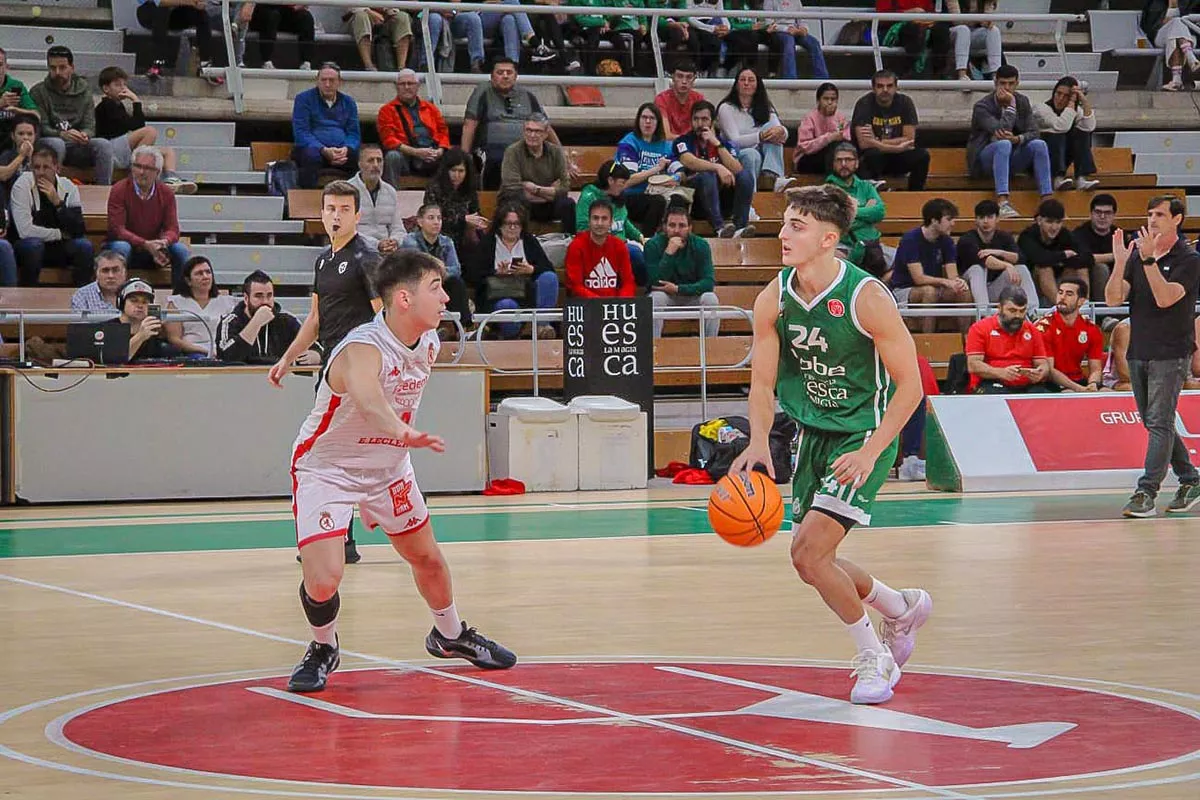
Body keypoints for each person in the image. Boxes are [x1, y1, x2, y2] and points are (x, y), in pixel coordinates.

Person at [729, 184, 930, 705]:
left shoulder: (866, 298)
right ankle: (900, 605)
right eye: (785, 223)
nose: (783, 234)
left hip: (866, 431)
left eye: (797, 226)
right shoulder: (773, 296)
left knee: (809, 552)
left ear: (828, 239)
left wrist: (870, 453)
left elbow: (912, 386)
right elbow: (762, 384)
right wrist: (757, 441)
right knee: (811, 561)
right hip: (814, 432)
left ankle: (874, 657)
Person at [285, 248, 517, 693]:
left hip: (388, 467)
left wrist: (398, 443)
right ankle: (323, 646)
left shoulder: (428, 341)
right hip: (328, 468)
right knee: (324, 578)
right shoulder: (361, 348)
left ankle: (449, 635)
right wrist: (401, 430)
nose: (447, 298)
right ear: (405, 299)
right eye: (437, 288)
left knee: (427, 558)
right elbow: (369, 399)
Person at [270, 180, 385, 565]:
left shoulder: (366, 258)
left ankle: (341, 537)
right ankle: (343, 538)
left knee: (326, 454)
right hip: (330, 370)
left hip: (357, 372)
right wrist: (288, 358)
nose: (336, 216)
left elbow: (383, 316)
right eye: (330, 209)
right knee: (336, 454)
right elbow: (316, 319)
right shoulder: (322, 260)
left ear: (357, 215)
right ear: (322, 213)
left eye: (344, 210)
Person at [1106, 195, 1200, 517]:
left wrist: (1149, 262)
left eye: (1160, 214)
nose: (1152, 220)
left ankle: (1146, 492)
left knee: (1159, 421)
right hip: (1140, 349)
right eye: (1149, 214)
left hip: (1171, 352)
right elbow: (1113, 299)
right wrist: (1120, 262)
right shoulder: (1138, 255)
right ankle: (1190, 478)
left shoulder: (1189, 258)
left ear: (1177, 219)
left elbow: (1165, 298)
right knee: (1153, 421)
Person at [967, 65, 1052, 219]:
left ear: (1017, 83)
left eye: (1011, 84)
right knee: (1003, 144)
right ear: (995, 83)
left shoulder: (1023, 101)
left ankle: (1047, 202)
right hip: (985, 160)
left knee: (1039, 144)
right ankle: (1002, 202)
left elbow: (1034, 132)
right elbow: (1000, 131)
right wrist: (1011, 105)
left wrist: (1018, 138)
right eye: (1002, 83)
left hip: (1012, 156)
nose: (1006, 88)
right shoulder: (982, 106)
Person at [461, 59, 561, 190]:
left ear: (516, 76)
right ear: (492, 76)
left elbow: (546, 127)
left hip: (525, 149)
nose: (505, 76)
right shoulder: (482, 92)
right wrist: (463, 158)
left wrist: (561, 155)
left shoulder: (528, 95)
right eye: (500, 72)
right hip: (491, 150)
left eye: (509, 72)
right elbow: (469, 125)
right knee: (499, 160)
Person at [95, 66, 195, 194]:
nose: (123, 88)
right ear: (106, 88)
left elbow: (137, 124)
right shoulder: (106, 105)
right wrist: (135, 101)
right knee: (150, 131)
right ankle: (136, 171)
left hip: (124, 149)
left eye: (124, 85)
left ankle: (171, 179)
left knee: (167, 152)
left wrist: (136, 100)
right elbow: (131, 126)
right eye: (117, 85)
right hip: (111, 150)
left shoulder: (119, 106)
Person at [468, 200, 559, 339]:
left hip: (525, 294)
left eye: (516, 224)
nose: (512, 228)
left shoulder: (529, 241)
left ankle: (542, 326)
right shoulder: (488, 243)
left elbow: (547, 267)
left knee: (549, 277)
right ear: (499, 225)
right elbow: (473, 274)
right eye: (508, 223)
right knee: (507, 305)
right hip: (497, 296)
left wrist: (531, 269)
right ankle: (511, 334)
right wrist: (496, 273)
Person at [104, 145, 190, 288]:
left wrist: (164, 242)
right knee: (121, 247)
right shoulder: (119, 189)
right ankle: (116, 297)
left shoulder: (166, 193)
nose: (141, 172)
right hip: (125, 246)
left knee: (181, 250)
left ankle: (179, 298)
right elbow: (117, 229)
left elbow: (173, 229)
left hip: (154, 248)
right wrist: (144, 244)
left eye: (148, 168)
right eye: (137, 166)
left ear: (157, 172)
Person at [669, 100, 754, 239]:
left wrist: (717, 144)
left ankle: (740, 228)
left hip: (722, 200)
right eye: (696, 119)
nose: (700, 124)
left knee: (745, 176)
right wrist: (718, 167)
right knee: (707, 175)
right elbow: (689, 161)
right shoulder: (683, 141)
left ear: (712, 122)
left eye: (704, 119)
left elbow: (737, 169)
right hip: (696, 200)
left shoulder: (723, 143)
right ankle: (719, 229)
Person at [10, 143, 91, 286]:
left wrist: (58, 203)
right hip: (28, 246)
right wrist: (60, 234)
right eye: (36, 167)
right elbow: (25, 231)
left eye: (46, 167)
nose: (40, 172)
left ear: (57, 168)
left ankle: (81, 296)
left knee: (84, 246)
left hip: (59, 247)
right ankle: (28, 294)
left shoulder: (68, 187)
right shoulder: (22, 185)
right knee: (34, 246)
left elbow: (78, 229)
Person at [30, 46, 114, 185]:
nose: (57, 72)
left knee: (103, 145)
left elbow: (90, 125)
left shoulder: (84, 89)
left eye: (62, 67)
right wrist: (62, 134)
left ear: (72, 67)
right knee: (57, 144)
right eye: (53, 68)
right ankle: (51, 189)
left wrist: (84, 135)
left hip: (77, 144)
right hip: (50, 142)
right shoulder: (38, 92)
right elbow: (42, 127)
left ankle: (103, 191)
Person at [889, 198, 971, 333]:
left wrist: (958, 282)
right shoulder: (911, 239)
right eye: (949, 219)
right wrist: (946, 282)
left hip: (934, 287)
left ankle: (967, 340)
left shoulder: (947, 241)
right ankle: (929, 341)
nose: (953, 223)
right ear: (934, 220)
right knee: (929, 292)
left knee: (963, 291)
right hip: (904, 289)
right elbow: (919, 279)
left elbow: (953, 275)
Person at [576, 161, 656, 285]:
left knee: (651, 254)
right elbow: (582, 227)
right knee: (635, 255)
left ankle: (646, 292)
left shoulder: (618, 197)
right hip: (598, 245)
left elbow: (624, 222)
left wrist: (640, 237)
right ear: (610, 180)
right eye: (622, 183)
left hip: (621, 244)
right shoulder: (589, 197)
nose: (624, 186)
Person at [645, 202, 719, 338]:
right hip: (667, 297)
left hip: (692, 296)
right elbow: (655, 282)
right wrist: (669, 253)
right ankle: (653, 348)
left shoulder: (701, 245)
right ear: (664, 227)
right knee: (656, 298)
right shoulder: (653, 245)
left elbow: (708, 282)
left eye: (682, 226)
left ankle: (711, 349)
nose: (677, 230)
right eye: (672, 225)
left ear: (690, 228)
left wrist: (679, 289)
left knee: (711, 299)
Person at [716, 68, 795, 193]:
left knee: (773, 130)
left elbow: (782, 134)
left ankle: (773, 175)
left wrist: (782, 131)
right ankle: (750, 198)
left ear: (758, 85)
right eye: (742, 80)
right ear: (736, 84)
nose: (746, 83)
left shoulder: (764, 106)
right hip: (734, 154)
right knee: (751, 155)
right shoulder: (726, 108)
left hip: (760, 151)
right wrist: (760, 137)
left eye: (751, 80)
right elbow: (734, 140)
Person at [218, 270, 322, 364]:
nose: (265, 302)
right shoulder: (230, 321)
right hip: (239, 381)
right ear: (246, 298)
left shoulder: (286, 321)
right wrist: (255, 323)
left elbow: (317, 347)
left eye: (269, 295)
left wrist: (316, 355)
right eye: (258, 296)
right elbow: (226, 356)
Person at [959, 199, 1039, 318]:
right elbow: (985, 261)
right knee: (977, 269)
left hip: (993, 289)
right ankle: (984, 316)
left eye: (990, 217)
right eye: (981, 217)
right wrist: (1007, 265)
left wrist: (999, 252)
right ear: (976, 220)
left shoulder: (1004, 237)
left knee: (1021, 269)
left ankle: (1034, 314)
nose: (985, 221)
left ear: (997, 218)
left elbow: (1019, 258)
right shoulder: (967, 239)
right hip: (969, 290)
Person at [851, 70, 929, 191]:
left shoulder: (905, 102)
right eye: (880, 86)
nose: (885, 90)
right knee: (872, 154)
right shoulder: (864, 104)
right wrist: (897, 146)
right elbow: (864, 143)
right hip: (875, 158)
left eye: (889, 86)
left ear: (896, 87)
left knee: (922, 156)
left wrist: (877, 141)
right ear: (873, 88)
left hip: (898, 158)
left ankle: (915, 194)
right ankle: (872, 194)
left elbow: (909, 140)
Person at [965, 285, 1051, 393]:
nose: (1018, 316)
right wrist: (1001, 372)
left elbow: (1042, 363)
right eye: (1012, 310)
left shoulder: (1032, 330)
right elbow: (973, 365)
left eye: (1022, 311)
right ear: (999, 308)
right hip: (991, 382)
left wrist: (1041, 372)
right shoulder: (979, 329)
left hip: (1027, 384)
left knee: (1043, 395)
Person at [500, 114, 576, 234]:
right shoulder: (512, 151)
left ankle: (570, 242)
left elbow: (564, 188)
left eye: (537, 131)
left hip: (546, 204)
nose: (532, 135)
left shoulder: (555, 152)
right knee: (514, 202)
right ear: (524, 131)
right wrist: (550, 192)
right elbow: (512, 188)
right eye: (529, 130)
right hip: (522, 203)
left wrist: (536, 189)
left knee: (568, 204)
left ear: (546, 134)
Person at [401, 203, 472, 330]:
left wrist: (438, 273)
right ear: (420, 222)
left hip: (441, 282)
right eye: (431, 218)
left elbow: (456, 269)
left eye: (439, 218)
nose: (436, 222)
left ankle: (464, 329)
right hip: (416, 284)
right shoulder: (409, 241)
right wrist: (440, 270)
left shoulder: (447, 241)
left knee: (456, 282)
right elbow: (418, 270)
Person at [292, 64, 361, 189]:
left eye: (332, 80)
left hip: (341, 152)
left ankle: (353, 199)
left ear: (339, 82)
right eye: (324, 80)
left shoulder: (349, 102)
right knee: (310, 156)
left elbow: (354, 133)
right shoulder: (303, 99)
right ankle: (307, 199)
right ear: (317, 81)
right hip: (314, 150)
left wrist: (347, 148)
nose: (327, 84)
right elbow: (301, 132)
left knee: (359, 158)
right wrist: (323, 150)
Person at [1017, 198, 1094, 307]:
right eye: (1049, 222)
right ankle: (1060, 305)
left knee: (1081, 267)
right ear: (1039, 220)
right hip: (1034, 287)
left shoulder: (1065, 234)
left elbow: (1088, 257)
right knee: (1045, 268)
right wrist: (1064, 255)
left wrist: (1066, 259)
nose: (1054, 227)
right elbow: (1039, 259)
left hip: (1060, 282)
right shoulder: (1027, 236)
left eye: (1058, 222)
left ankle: (1084, 306)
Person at [824, 143, 886, 277]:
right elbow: (838, 221)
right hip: (844, 246)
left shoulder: (866, 186)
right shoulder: (828, 190)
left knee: (903, 260)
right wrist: (867, 212)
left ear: (857, 163)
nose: (844, 164)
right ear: (833, 164)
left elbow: (880, 212)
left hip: (872, 245)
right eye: (839, 160)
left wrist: (852, 211)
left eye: (848, 160)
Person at [377, 69, 449, 184]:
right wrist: (417, 152)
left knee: (459, 156)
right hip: (406, 157)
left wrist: (440, 151)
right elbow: (389, 140)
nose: (406, 87)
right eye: (402, 84)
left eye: (410, 83)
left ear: (418, 86)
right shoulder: (386, 110)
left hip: (433, 154)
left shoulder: (431, 108)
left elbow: (443, 132)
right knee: (392, 156)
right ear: (396, 86)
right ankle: (389, 197)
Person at [615, 103, 677, 235]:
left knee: (679, 200)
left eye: (652, 118)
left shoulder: (666, 145)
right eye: (644, 118)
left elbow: (679, 171)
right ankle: (647, 241)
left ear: (658, 122)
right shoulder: (629, 143)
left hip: (657, 193)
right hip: (629, 196)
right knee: (658, 202)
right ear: (638, 120)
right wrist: (656, 169)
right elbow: (627, 180)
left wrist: (674, 179)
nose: (647, 122)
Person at [1035, 276, 1104, 392]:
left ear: (1081, 301)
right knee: (1069, 394)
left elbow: (1096, 368)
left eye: (1069, 294)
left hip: (1079, 380)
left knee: (1105, 393)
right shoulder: (1044, 328)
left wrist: (1093, 384)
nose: (1062, 297)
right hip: (1052, 382)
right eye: (1060, 292)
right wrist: (1079, 389)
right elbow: (1049, 371)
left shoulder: (1091, 329)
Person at [165, 255, 239, 357]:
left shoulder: (227, 302)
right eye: (199, 273)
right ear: (188, 280)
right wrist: (205, 351)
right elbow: (174, 339)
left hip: (223, 350)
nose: (205, 276)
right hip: (193, 352)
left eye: (208, 272)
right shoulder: (176, 302)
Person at [1035, 76, 1099, 192]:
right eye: (1058, 94)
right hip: (1040, 160)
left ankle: (1081, 178)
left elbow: (1089, 127)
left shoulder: (1074, 109)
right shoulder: (1041, 109)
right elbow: (1061, 126)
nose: (1060, 99)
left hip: (1062, 156)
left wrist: (1083, 100)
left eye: (1066, 96)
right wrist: (1072, 102)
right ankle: (1057, 178)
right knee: (1058, 134)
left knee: (1082, 132)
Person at [564, 197, 636, 298]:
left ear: (611, 222)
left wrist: (622, 302)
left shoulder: (619, 246)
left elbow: (628, 282)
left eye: (604, 218)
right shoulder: (576, 246)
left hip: (614, 306)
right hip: (587, 305)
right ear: (589, 221)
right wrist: (599, 304)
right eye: (595, 218)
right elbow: (575, 286)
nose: (599, 223)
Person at [422, 148, 488, 254]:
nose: (457, 175)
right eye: (453, 170)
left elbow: (475, 211)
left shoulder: (470, 188)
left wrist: (478, 222)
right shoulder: (434, 188)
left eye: (461, 171)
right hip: (439, 237)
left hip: (464, 236)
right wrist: (463, 219)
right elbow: (433, 218)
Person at [136, 0, 218, 81]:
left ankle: (205, 65)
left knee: (201, 15)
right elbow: (160, 2)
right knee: (161, 10)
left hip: (173, 13)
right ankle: (157, 63)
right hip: (149, 12)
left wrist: (199, 3)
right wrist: (191, 2)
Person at [349, 145, 405, 254]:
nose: (375, 165)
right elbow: (347, 232)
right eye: (370, 161)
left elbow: (398, 228)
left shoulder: (390, 191)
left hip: (388, 250)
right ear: (360, 164)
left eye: (379, 160)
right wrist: (376, 244)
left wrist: (395, 241)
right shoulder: (347, 191)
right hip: (358, 250)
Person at [1140, 0, 1200, 91]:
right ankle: (1190, 56)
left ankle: (1176, 81)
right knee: (1176, 23)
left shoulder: (1193, 2)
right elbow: (1150, 27)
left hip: (1190, 37)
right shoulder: (1155, 3)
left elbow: (1193, 23)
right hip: (1160, 36)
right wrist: (1173, 7)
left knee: (1176, 29)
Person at [1072, 193, 1122, 302]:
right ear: (1091, 214)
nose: (1102, 217)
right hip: (1087, 279)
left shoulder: (1119, 234)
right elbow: (1083, 258)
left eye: (1107, 213)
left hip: (1115, 281)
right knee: (1100, 268)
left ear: (1114, 215)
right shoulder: (1080, 233)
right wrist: (1116, 255)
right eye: (1098, 212)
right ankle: (1101, 312)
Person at [794, 83, 850, 176]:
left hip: (833, 156)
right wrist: (828, 138)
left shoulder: (840, 117)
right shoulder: (809, 118)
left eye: (833, 99)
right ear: (818, 100)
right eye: (826, 99)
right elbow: (805, 147)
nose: (829, 102)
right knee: (833, 147)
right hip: (807, 159)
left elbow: (847, 138)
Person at [763, 0, 828, 80]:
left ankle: (822, 78)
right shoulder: (769, 1)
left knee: (814, 42)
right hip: (779, 32)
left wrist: (802, 30)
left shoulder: (796, 1)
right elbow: (769, 24)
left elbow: (803, 21)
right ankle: (790, 79)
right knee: (789, 40)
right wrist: (787, 29)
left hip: (796, 31)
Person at [117, 277, 176, 362]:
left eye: (145, 302)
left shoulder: (155, 333)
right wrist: (141, 336)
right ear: (121, 303)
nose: (140, 305)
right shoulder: (109, 328)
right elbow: (115, 360)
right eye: (134, 301)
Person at [249, 1, 316, 70]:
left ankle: (306, 62)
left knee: (306, 17)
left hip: (285, 9)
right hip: (263, 9)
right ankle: (266, 61)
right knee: (272, 16)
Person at [346, 6, 412, 72]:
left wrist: (388, 11)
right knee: (361, 17)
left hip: (384, 15)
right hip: (357, 15)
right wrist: (369, 12)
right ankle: (369, 66)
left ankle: (402, 67)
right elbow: (351, 6)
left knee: (403, 17)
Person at [948, 0, 1002, 81]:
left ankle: (996, 74)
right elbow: (957, 21)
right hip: (953, 31)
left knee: (994, 30)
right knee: (963, 29)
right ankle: (962, 74)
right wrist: (979, 19)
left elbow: (987, 20)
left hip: (974, 33)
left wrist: (987, 21)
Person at [0, 48, 41, 147]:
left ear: (6, 67)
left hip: (10, 137)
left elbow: (37, 116)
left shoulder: (16, 86)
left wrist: (17, 110)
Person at [654, 61, 705, 139]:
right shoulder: (662, 99)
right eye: (680, 76)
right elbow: (666, 135)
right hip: (669, 146)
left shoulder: (699, 99)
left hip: (693, 146)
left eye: (689, 77)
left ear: (694, 79)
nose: (684, 81)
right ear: (673, 77)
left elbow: (706, 130)